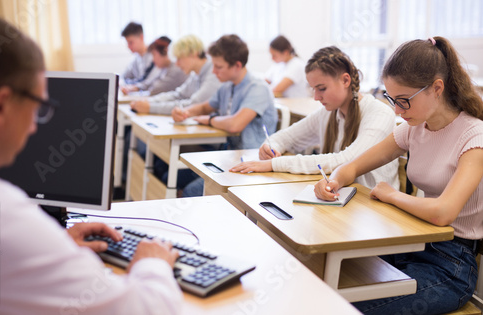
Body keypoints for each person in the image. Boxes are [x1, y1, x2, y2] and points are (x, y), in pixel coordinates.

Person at [0, 14, 181, 314]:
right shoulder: (0, 212)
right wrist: (152, 262)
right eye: (40, 109)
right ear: (0, 106)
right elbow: (146, 309)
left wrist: (50, 245)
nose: (36, 127)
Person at [315, 37, 483, 314]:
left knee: (350, 306)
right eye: (392, 99)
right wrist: (333, 180)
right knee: (323, 276)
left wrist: (392, 196)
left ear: (437, 88)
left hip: (451, 264)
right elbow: (354, 166)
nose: (396, 110)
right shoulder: (414, 128)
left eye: (404, 101)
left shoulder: (473, 136)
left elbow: (443, 213)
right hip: (411, 242)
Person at [231, 46, 399, 191]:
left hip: (372, 207)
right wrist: (270, 146)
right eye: (313, 89)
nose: (316, 97)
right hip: (342, 197)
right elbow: (287, 137)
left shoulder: (379, 114)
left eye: (322, 88)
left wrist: (274, 164)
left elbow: (346, 161)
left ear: (345, 80)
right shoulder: (328, 113)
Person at [172, 34, 278, 197]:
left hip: (250, 161)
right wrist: (184, 112)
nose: (213, 71)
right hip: (228, 155)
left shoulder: (258, 88)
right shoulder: (227, 86)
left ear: (237, 65)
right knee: (169, 175)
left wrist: (210, 120)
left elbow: (235, 124)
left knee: (190, 191)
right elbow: (205, 107)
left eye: (218, 67)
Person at [130, 34, 221, 114]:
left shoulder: (213, 73)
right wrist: (148, 101)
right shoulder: (196, 74)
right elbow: (178, 95)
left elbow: (193, 105)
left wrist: (150, 107)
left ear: (193, 54)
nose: (177, 64)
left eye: (179, 58)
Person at [120, 22, 159, 95]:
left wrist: (135, 87)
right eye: (127, 43)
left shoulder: (155, 57)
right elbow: (123, 77)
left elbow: (151, 82)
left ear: (141, 37)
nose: (128, 46)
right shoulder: (136, 60)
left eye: (131, 42)